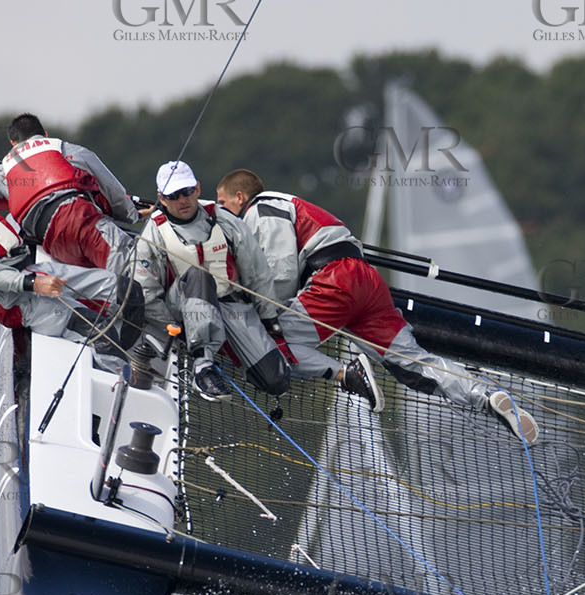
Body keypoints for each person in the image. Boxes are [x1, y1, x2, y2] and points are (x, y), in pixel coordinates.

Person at [213, 168, 537, 443]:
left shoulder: (262, 208)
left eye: (223, 203)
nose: (222, 210)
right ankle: (486, 396)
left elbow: (281, 268)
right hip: (365, 281)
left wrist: (262, 313)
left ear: (240, 198)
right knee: (413, 364)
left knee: (265, 347)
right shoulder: (291, 206)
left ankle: (347, 373)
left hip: (334, 279)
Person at [0, 145, 140, 348]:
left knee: (128, 292)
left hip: (30, 272)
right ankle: (131, 374)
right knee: (102, 335)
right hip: (10, 297)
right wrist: (34, 284)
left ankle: (145, 352)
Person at [135, 161, 289, 402]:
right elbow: (146, 290)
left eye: (187, 191)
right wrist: (171, 328)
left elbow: (257, 271)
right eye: (173, 195)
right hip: (182, 310)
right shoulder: (153, 233)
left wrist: (269, 317)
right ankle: (203, 366)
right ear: (161, 199)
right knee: (199, 275)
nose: (183, 200)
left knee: (277, 380)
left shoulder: (223, 219)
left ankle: (226, 354)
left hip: (230, 306)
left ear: (197, 188)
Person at [0, 113, 139, 273]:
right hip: (80, 221)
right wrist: (132, 214)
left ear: (13, 143)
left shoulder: (3, 170)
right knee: (135, 272)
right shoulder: (64, 149)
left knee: (105, 293)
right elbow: (111, 189)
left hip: (54, 245)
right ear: (45, 134)